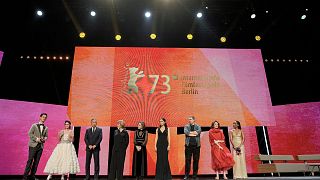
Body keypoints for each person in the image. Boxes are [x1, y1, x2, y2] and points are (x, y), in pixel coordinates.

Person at [23, 113, 49, 180]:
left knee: (36, 162)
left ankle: (32, 176)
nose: (44, 118)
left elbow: (46, 136)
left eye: (45, 117)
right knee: (30, 160)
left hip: (40, 146)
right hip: (33, 145)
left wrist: (44, 138)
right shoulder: (34, 125)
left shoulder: (46, 127)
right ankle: (25, 177)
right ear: (40, 117)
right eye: (43, 117)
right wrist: (36, 139)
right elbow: (30, 133)